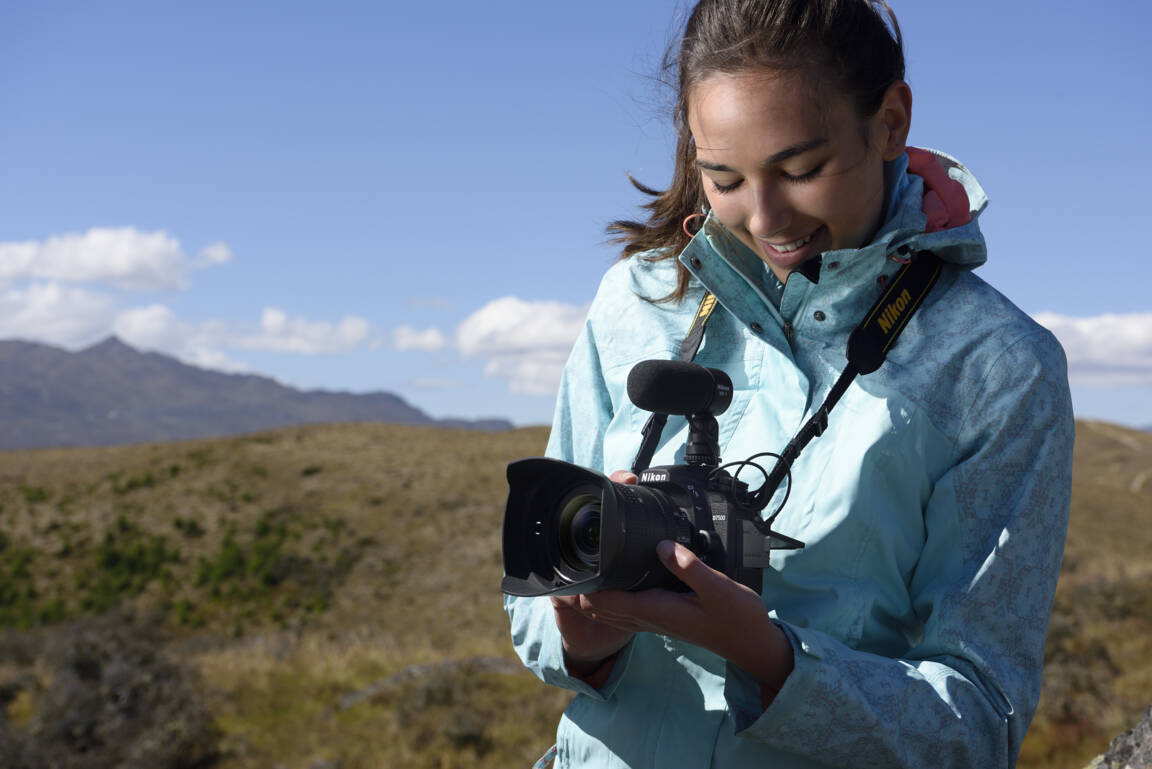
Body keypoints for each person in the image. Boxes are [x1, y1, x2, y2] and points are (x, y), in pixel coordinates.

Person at [504, 0, 1074, 766]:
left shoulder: (996, 368)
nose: (766, 217)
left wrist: (776, 662)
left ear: (891, 120)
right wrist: (583, 639)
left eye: (800, 170)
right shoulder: (635, 302)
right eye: (724, 178)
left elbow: (980, 720)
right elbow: (532, 589)